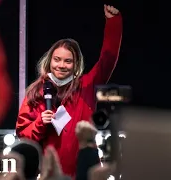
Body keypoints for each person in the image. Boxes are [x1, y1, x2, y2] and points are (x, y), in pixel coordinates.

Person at [16, 4, 122, 177]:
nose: (61, 65)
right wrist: (40, 123)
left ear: (76, 65)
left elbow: (108, 59)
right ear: (50, 61)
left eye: (68, 61)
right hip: (49, 173)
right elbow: (23, 136)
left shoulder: (86, 86)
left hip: (83, 172)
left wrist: (113, 23)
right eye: (57, 59)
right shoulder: (36, 93)